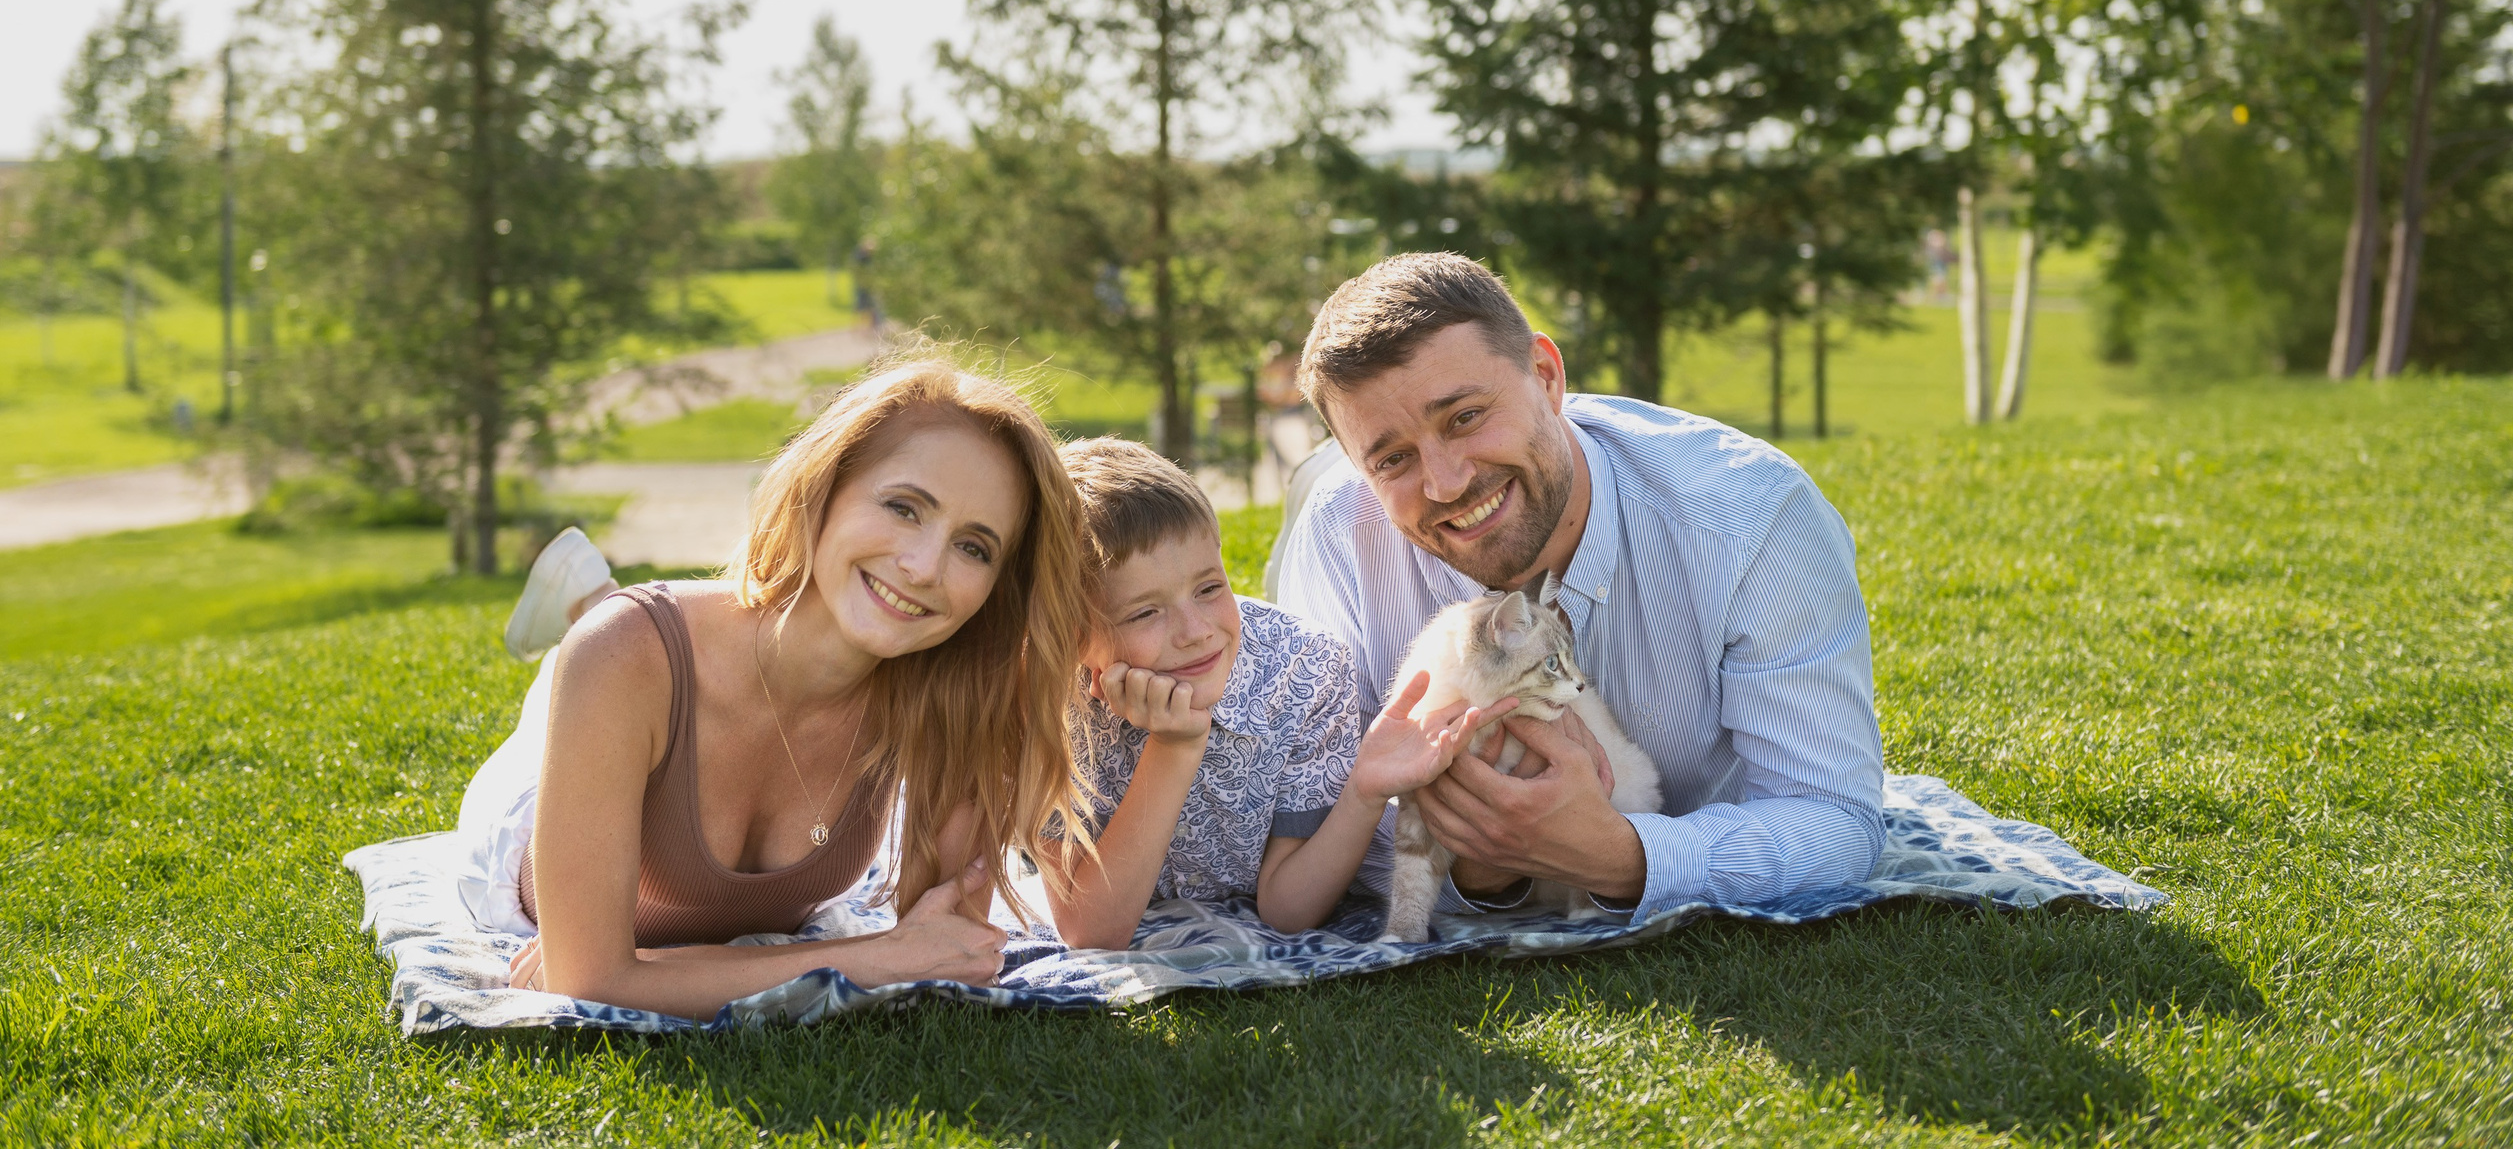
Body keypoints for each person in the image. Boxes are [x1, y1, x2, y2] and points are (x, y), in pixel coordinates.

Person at [454, 355, 1099, 1019]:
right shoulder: (625, 655)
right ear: (826, 486)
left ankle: (591, 591)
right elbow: (588, 982)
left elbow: (944, 950)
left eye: (974, 547)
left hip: (653, 671)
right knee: (602, 645)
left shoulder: (950, 691)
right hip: (543, 792)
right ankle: (589, 602)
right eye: (904, 507)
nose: (924, 566)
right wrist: (872, 957)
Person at [1268, 253, 1885, 923]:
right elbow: (1312, 825)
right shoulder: (1336, 534)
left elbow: (1835, 819)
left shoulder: (1756, 517)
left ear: (1546, 375)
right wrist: (1477, 863)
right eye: (1391, 459)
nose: (1444, 483)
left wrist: (1621, 855)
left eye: (1465, 417)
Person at [1037, 438, 1507, 948]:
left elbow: (1289, 911)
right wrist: (1174, 748)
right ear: (1073, 636)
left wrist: (1364, 792)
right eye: (1145, 613)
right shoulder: (1042, 702)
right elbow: (1091, 932)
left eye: (1210, 588)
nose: (1195, 631)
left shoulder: (1305, 672)